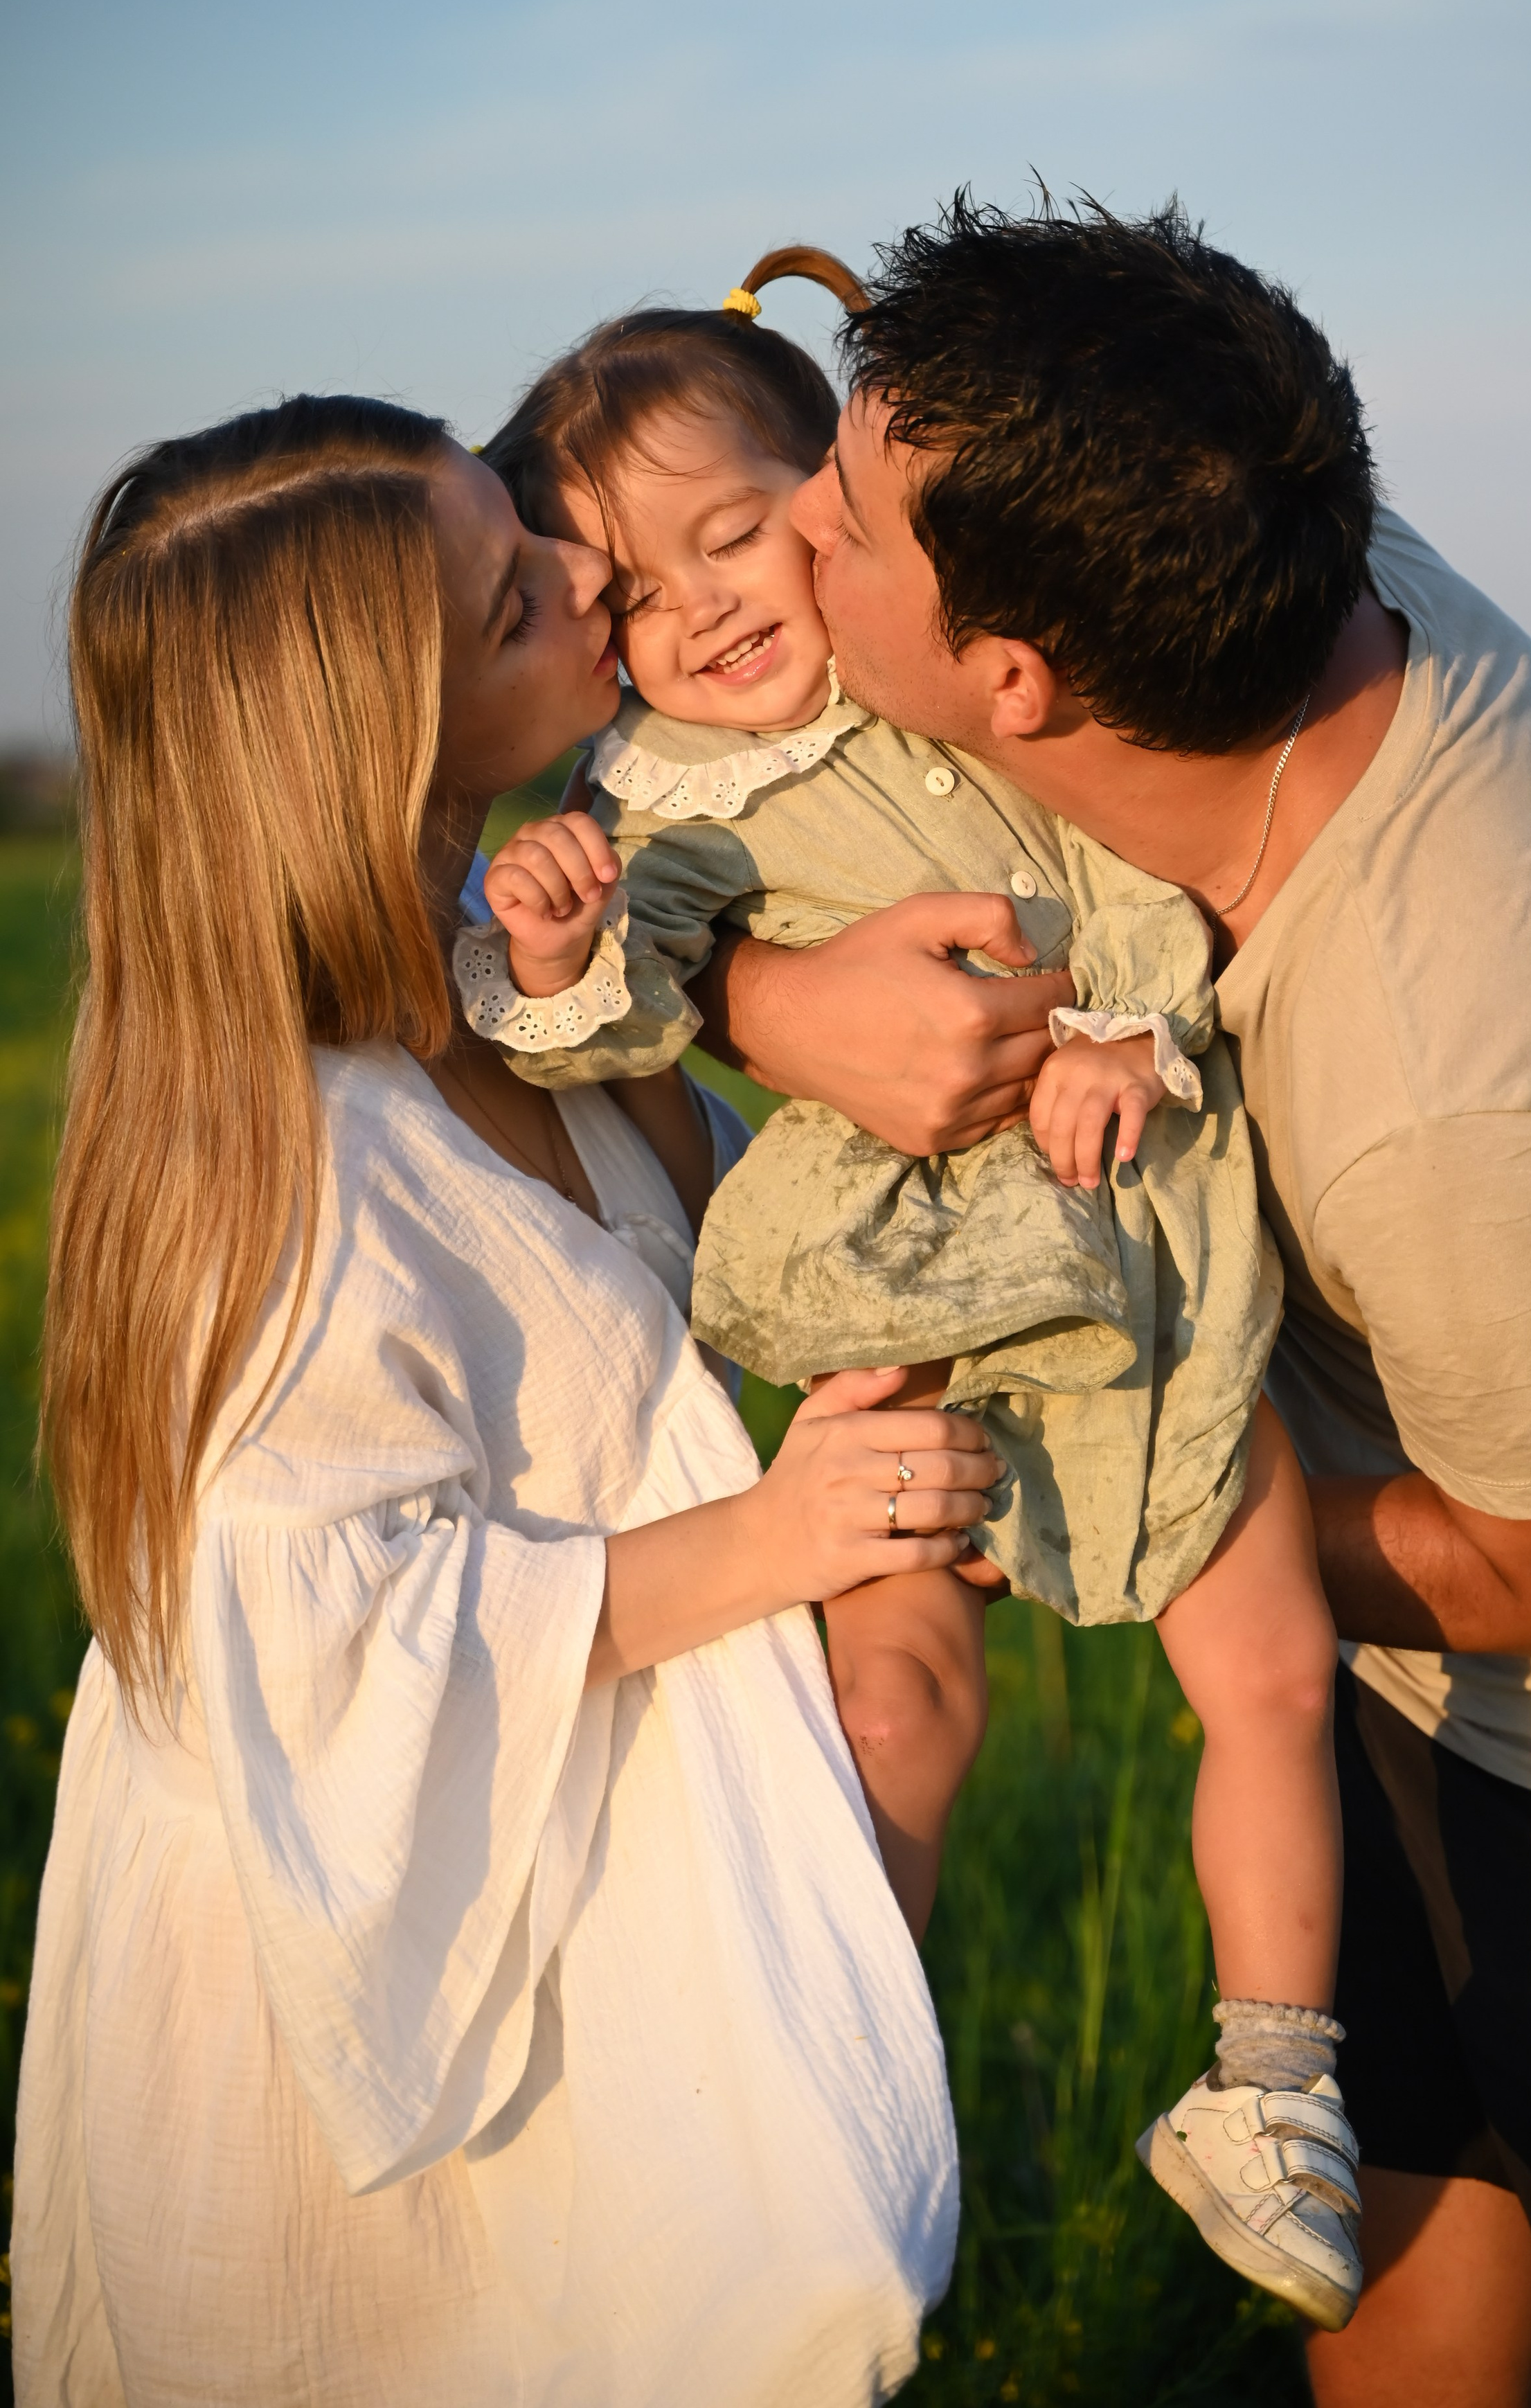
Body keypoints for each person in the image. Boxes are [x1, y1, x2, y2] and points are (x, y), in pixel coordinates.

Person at [692, 197, 1531, 2408]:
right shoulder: (1240, 547)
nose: (790, 534)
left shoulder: (1462, 1076)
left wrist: (1076, 1503)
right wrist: (761, 991)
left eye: (844, 517)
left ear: (1016, 686)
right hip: (1397, 1668)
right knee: (1399, 2293)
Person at [16, 393, 1005, 2407]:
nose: (583, 576)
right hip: (362, 1983)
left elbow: (750, 1238)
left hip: (577, 1858)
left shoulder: (503, 989)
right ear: (370, 734)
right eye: (509, 599)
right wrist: (783, 1538)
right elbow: (336, 1641)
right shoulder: (277, 1178)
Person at [458, 260, 1364, 2329]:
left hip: (1144, 1254)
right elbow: (610, 1020)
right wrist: (549, 941)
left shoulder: (962, 672)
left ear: (843, 500)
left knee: (1271, 1670)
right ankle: (811, 2075)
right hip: (910, 1291)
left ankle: (1273, 2084)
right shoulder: (644, 812)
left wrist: (1134, 1020)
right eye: (624, 587)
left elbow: (1140, 836)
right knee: (889, 1702)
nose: (694, 605)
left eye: (732, 530)